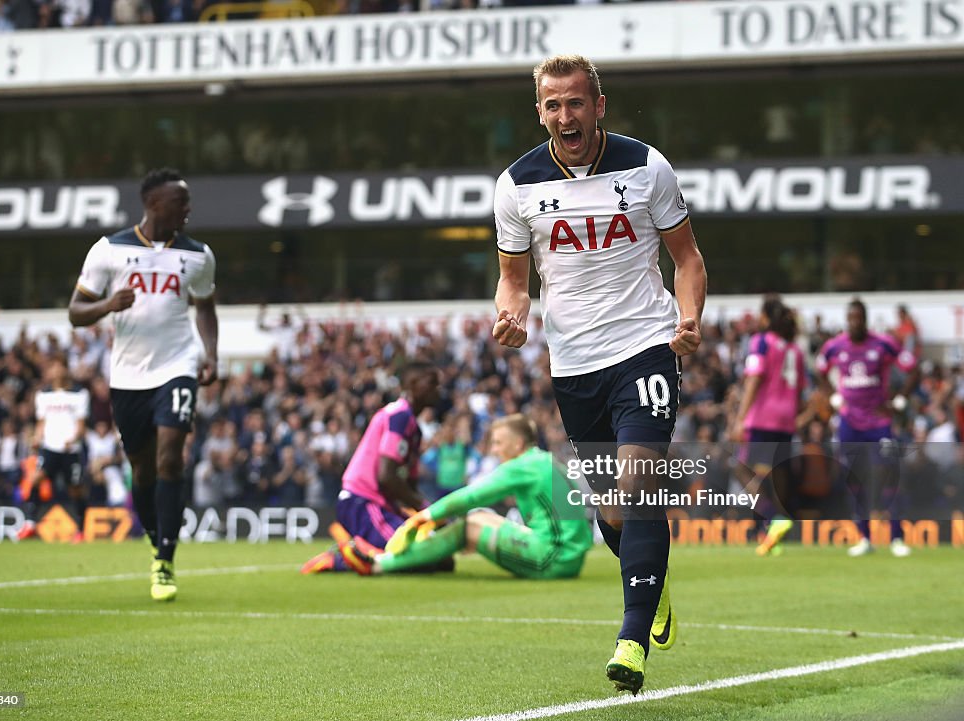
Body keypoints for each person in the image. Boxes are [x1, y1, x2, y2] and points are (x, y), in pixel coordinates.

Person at [490, 55, 706, 694]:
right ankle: (655, 586)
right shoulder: (517, 184)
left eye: (576, 103)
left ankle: (632, 638)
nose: (566, 116)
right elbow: (512, 280)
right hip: (574, 364)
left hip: (643, 345)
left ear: (599, 105)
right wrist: (509, 316)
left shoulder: (646, 167)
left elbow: (688, 259)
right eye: (553, 105)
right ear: (540, 112)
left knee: (640, 482)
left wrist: (689, 316)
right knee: (612, 513)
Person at [68, 167, 218, 601]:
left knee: (172, 455)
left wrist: (211, 353)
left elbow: (205, 307)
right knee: (143, 467)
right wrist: (109, 304)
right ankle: (155, 535)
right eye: (179, 202)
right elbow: (76, 311)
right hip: (129, 375)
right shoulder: (109, 249)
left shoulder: (198, 255)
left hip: (178, 365)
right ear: (154, 204)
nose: (187, 210)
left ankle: (165, 560)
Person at [339, 414, 593, 579]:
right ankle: (405, 556)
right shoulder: (545, 461)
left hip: (553, 560)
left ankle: (380, 564)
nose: (494, 450)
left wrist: (427, 515)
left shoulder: (521, 466)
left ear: (518, 444)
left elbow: (472, 495)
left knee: (467, 527)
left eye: (498, 443)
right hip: (570, 557)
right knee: (480, 518)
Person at [300, 362, 443, 574]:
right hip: (363, 501)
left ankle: (361, 547)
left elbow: (409, 485)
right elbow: (386, 476)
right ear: (413, 384)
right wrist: (428, 510)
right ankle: (339, 559)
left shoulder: (413, 428)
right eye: (432, 383)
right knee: (412, 558)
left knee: (440, 558)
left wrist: (425, 516)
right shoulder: (399, 416)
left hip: (383, 504)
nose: (437, 389)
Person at [817, 299, 917, 558]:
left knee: (888, 475)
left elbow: (912, 368)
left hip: (879, 422)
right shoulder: (835, 346)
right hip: (850, 423)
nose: (855, 322)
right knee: (854, 478)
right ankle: (864, 538)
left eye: (859, 318)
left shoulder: (883, 344)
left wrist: (900, 401)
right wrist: (831, 397)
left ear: (865, 319)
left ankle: (896, 538)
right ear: (846, 320)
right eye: (851, 318)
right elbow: (819, 370)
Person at [729, 296, 806, 556]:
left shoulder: (761, 342)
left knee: (741, 470)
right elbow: (800, 389)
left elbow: (754, 379)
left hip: (763, 418)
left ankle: (774, 518)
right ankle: (768, 536)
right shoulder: (794, 349)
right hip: (785, 420)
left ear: (765, 318)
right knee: (772, 477)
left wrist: (740, 418)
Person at [17, 359, 90, 541]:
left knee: (75, 489)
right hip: (50, 447)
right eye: (52, 367)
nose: (56, 371)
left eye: (59, 366)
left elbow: (81, 424)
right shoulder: (43, 395)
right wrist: (36, 438)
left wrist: (73, 438)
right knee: (34, 480)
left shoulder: (79, 394)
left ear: (66, 369)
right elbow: (41, 423)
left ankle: (80, 530)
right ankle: (30, 524)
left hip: (70, 449)